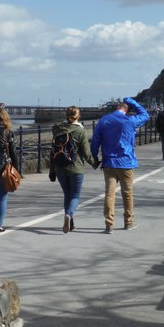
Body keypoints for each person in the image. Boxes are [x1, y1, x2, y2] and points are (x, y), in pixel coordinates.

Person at [90, 97, 149, 234]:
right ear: (127, 110)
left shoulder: (104, 120)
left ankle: (109, 224)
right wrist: (132, 102)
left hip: (109, 162)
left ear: (117, 108)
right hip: (126, 162)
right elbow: (145, 115)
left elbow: (95, 140)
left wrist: (94, 156)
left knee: (109, 194)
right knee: (127, 194)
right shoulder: (130, 121)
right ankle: (128, 221)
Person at [49, 106, 94, 234]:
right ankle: (68, 215)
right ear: (78, 116)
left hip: (59, 168)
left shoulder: (57, 130)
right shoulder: (80, 131)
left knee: (67, 195)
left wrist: (51, 171)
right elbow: (86, 153)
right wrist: (94, 163)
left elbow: (52, 152)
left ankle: (71, 224)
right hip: (76, 168)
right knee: (75, 195)